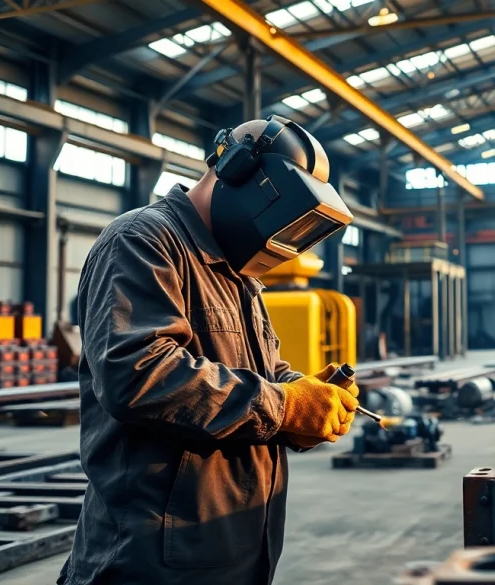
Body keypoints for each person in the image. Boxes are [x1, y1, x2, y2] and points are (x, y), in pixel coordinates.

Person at [58, 116, 359, 585]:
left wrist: (303, 392)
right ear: (237, 171)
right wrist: (282, 408)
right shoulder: (143, 240)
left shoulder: (239, 275)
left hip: (234, 552)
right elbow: (138, 374)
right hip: (150, 561)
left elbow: (263, 367)